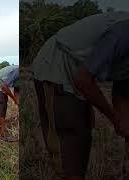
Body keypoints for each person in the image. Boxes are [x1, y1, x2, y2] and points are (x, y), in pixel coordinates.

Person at [31, 11, 129, 180]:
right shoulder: (124, 32)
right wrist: (114, 118)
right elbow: (83, 80)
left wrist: (123, 121)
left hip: (77, 69)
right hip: (57, 67)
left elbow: (123, 83)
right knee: (69, 142)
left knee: (83, 133)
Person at [0, 65, 20, 141]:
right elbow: (4, 86)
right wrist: (14, 99)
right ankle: (2, 134)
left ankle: (0, 129)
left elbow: (17, 89)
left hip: (1, 84)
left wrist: (18, 103)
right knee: (1, 106)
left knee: (3, 105)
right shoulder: (18, 71)